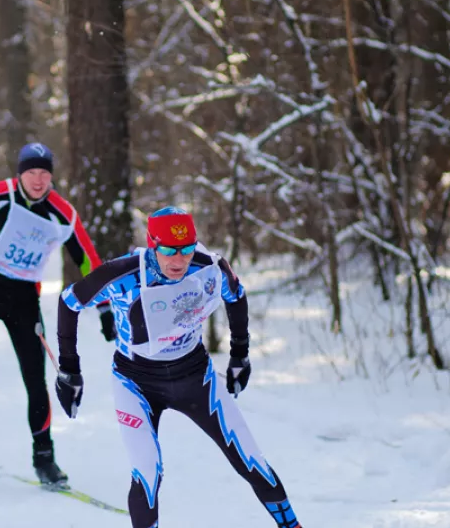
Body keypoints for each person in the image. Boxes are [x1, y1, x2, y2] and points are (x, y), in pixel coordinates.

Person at [55, 207, 303, 528]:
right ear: (151, 244)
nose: (179, 260)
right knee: (147, 472)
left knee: (250, 460)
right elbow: (68, 302)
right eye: (169, 250)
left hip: (196, 378)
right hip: (135, 384)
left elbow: (237, 296)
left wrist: (240, 354)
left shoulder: (208, 267)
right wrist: (69, 370)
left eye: (186, 249)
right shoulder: (122, 275)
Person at [0, 142, 115, 485]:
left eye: (44, 173)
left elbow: (85, 258)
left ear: (51, 176)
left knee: (35, 379)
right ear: (19, 173)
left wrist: (105, 306)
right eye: (31, 172)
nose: (38, 180)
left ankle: (44, 458)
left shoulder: (62, 212)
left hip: (22, 299)